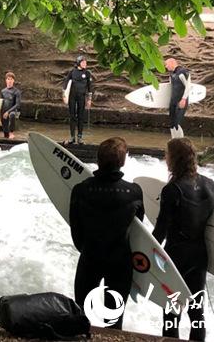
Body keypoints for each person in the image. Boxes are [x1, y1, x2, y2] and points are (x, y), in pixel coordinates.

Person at [153, 138, 214, 342]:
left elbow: (161, 231)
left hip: (175, 257)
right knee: (196, 312)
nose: (166, 159)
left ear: (174, 159)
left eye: (167, 155)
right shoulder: (210, 185)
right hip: (199, 256)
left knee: (171, 312)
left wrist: (143, 255)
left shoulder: (172, 189)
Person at [69, 137, 144, 330]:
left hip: (90, 257)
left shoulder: (81, 190)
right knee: (113, 322)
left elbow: (75, 229)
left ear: (98, 160)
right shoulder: (134, 192)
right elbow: (138, 230)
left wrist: (86, 249)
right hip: (120, 261)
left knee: (82, 316)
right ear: (122, 161)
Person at [63, 55, 92, 144]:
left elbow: (90, 87)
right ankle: (72, 137)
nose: (85, 64)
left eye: (86, 62)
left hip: (82, 96)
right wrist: (64, 95)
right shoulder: (72, 72)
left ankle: (79, 137)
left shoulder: (87, 73)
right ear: (79, 63)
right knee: (72, 116)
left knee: (81, 116)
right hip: (72, 96)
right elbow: (66, 83)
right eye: (83, 62)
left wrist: (89, 99)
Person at [165, 58, 190, 139]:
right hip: (173, 101)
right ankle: (173, 140)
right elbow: (170, 87)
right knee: (172, 123)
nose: (166, 66)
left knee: (177, 123)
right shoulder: (172, 74)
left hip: (181, 101)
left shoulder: (182, 72)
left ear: (172, 63)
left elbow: (188, 87)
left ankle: (181, 140)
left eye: (166, 64)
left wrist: (184, 99)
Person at [0, 71, 22, 139]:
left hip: (13, 111)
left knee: (12, 114)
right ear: (6, 80)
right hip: (4, 113)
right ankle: (7, 133)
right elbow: (1, 103)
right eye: (8, 79)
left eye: (11, 79)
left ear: (13, 81)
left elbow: (18, 104)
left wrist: (8, 112)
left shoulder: (16, 92)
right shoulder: (3, 91)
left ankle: (12, 132)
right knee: (6, 135)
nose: (9, 81)